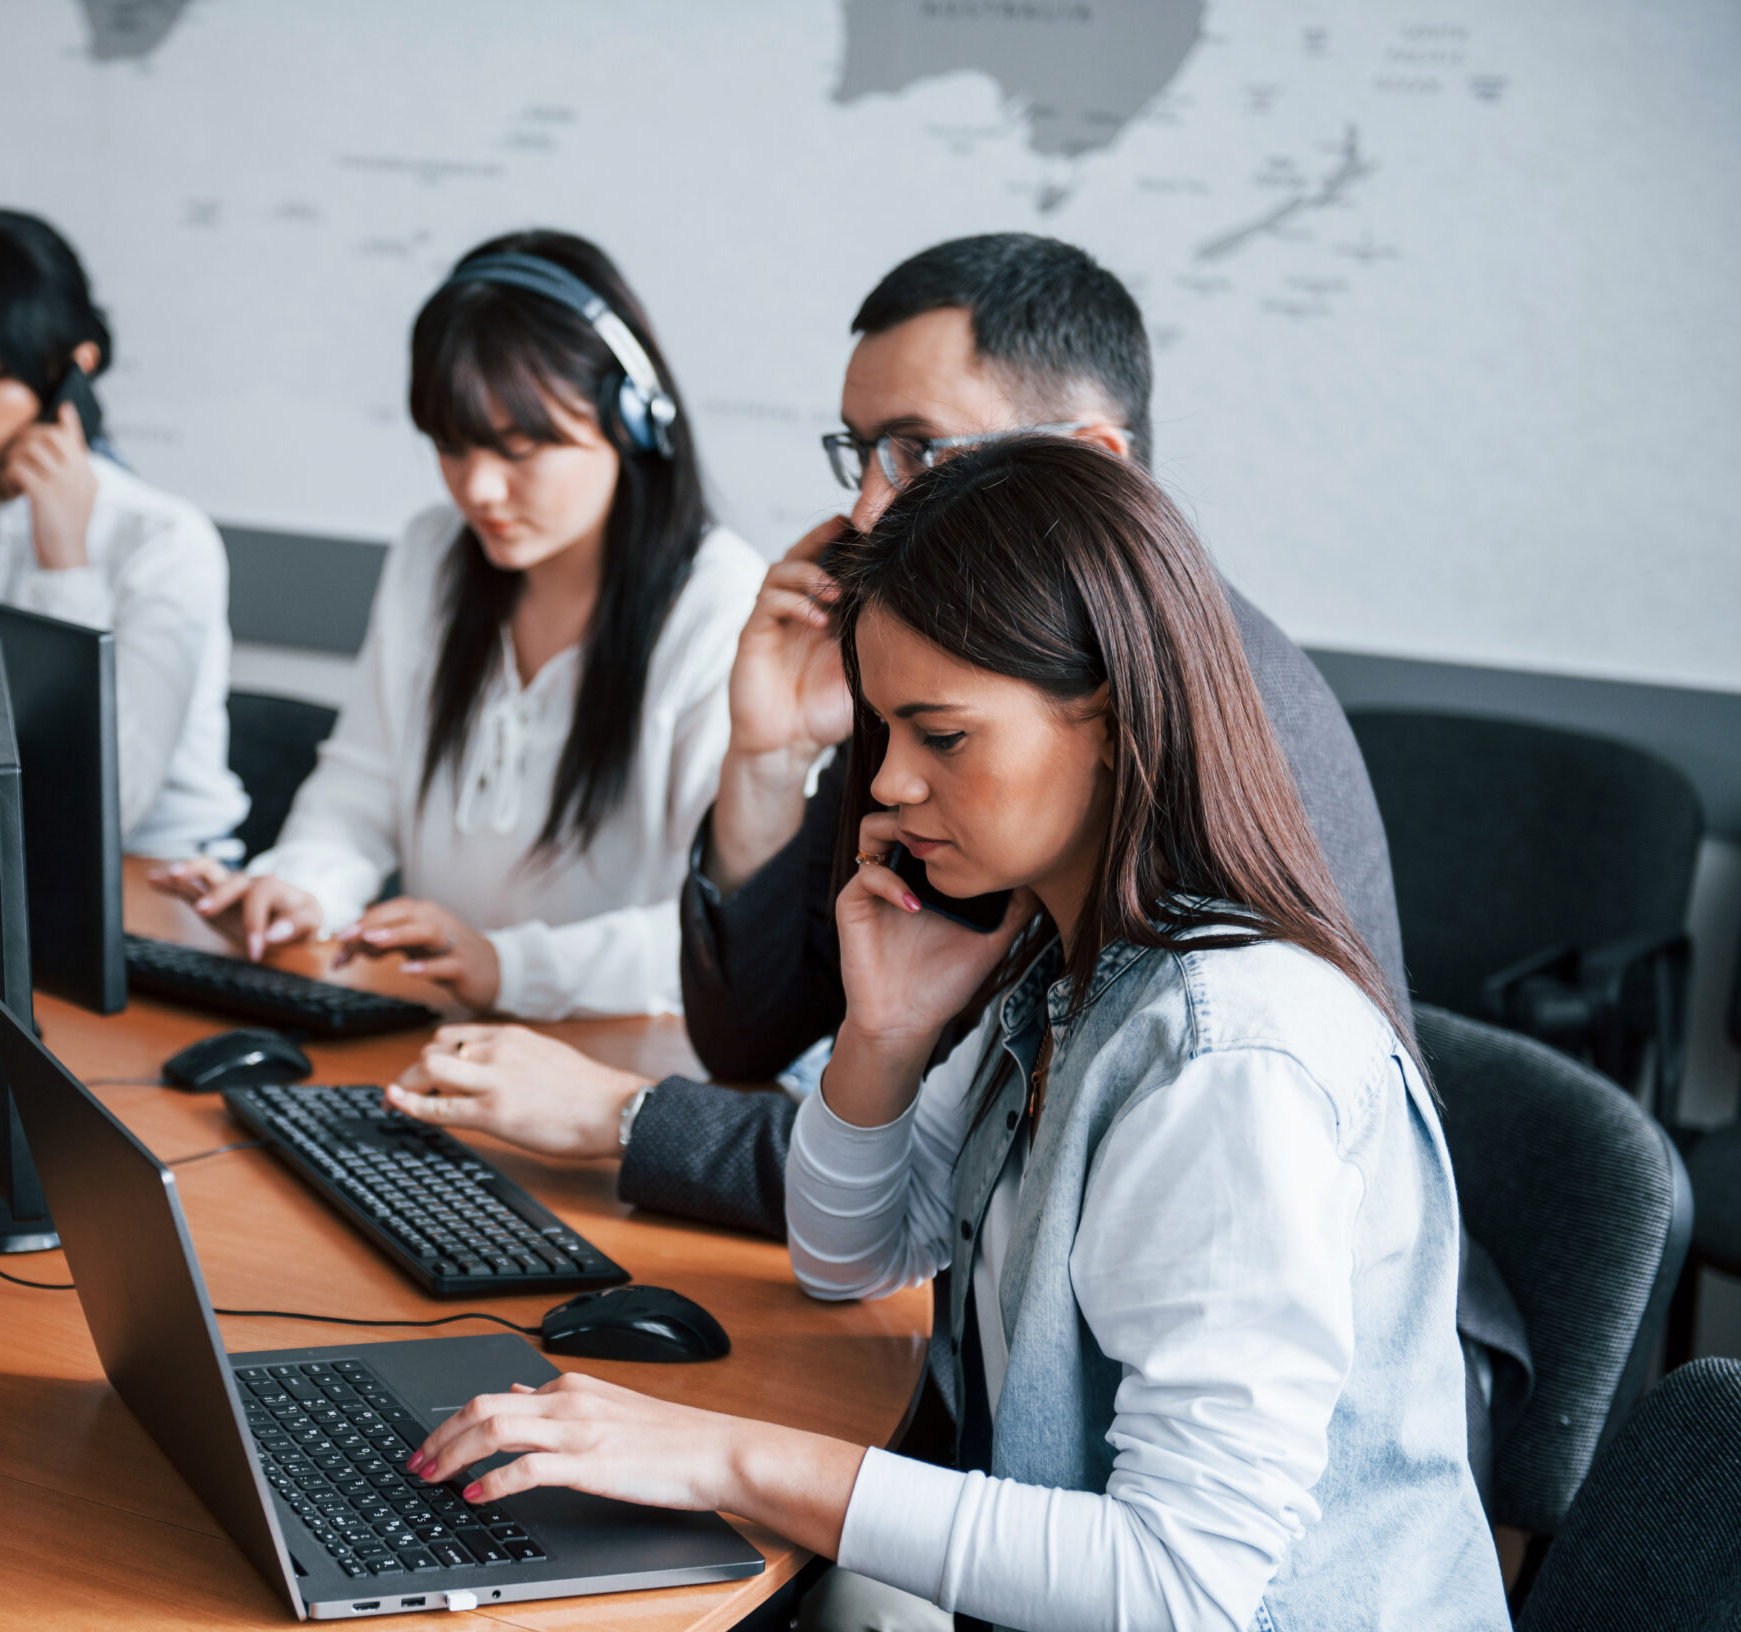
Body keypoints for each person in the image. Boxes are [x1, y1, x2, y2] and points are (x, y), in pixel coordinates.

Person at [408, 438, 1535, 1632]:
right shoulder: (1069, 969)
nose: (888, 782)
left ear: (1112, 720)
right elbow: (848, 1255)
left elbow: (1183, 1582)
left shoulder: (1228, 1065)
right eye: (884, 728)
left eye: (940, 734)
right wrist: (883, 1033)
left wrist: (722, 1457)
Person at [390, 233, 1407, 1217]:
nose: (870, 508)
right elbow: (751, 1038)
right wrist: (770, 754)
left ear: (1093, 459)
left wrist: (623, 1114)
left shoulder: (1225, 729)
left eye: (919, 451)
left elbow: (977, 1169)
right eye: (860, 452)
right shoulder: (934, 672)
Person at [151, 232, 764, 1020]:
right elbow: (360, 791)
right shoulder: (432, 553)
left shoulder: (717, 604)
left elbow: (717, 930)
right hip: (435, 1027)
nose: (478, 489)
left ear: (633, 424)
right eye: (452, 446)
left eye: (521, 449)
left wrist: (506, 966)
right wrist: (300, 888)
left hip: (619, 1053)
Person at [0, 210, 248, 857]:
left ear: (71, 370)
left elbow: (106, 807)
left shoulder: (166, 543)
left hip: (148, 881)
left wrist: (65, 565)